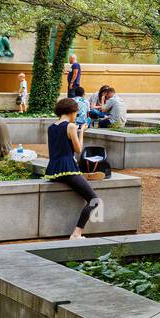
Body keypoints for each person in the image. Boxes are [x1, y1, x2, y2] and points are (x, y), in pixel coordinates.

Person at [46, 97, 102, 239]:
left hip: (53, 169)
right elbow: (78, 149)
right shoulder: (70, 126)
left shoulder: (51, 127)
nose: (76, 115)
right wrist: (81, 131)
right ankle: (77, 233)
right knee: (94, 200)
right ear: (71, 112)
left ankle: (83, 176)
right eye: (76, 113)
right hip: (68, 169)